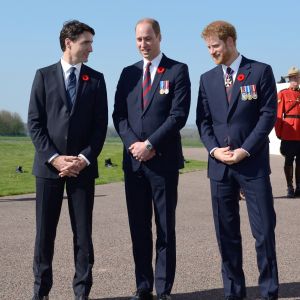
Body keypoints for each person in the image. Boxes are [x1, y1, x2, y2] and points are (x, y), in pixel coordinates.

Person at [196, 21, 279, 300]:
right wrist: (213, 150)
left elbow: (267, 115)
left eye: (215, 46)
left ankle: (268, 292)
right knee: (226, 235)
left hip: (252, 164)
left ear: (230, 41)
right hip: (220, 168)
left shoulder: (260, 71)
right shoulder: (207, 79)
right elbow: (203, 121)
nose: (211, 52)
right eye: (207, 47)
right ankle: (234, 292)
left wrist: (245, 149)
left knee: (264, 232)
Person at [28, 20, 108, 300]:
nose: (91, 49)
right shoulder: (43, 76)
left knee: (83, 236)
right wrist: (55, 158)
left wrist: (82, 159)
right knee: (44, 235)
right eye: (86, 43)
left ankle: (82, 292)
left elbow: (100, 127)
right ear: (68, 43)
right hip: (49, 169)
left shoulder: (96, 79)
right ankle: (41, 292)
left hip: (82, 170)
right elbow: (34, 124)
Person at [113, 18, 190, 300]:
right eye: (138, 40)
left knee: (165, 227)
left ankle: (164, 288)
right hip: (134, 163)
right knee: (139, 227)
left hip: (163, 162)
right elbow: (118, 115)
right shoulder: (127, 73)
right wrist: (135, 144)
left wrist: (151, 143)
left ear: (159, 37)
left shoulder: (178, 71)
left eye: (148, 38)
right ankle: (143, 286)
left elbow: (178, 115)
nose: (143, 45)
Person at [275, 67, 300, 198]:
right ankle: (290, 187)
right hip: (289, 132)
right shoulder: (283, 94)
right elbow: (279, 115)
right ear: (289, 80)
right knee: (289, 160)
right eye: (292, 78)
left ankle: (299, 187)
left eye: (297, 78)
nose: (295, 80)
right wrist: (279, 132)